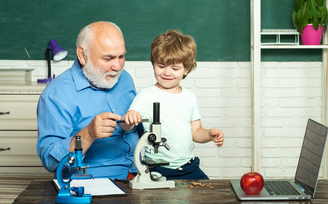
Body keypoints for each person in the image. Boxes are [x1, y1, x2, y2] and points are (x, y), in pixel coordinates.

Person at [37, 21, 141, 180]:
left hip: (139, 176)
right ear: (82, 55)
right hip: (95, 184)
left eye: (121, 56)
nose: (117, 66)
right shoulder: (56, 95)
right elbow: (50, 161)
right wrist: (88, 134)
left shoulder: (125, 78)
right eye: (108, 58)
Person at [120, 29, 224, 179]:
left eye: (175, 68)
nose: (167, 72)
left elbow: (196, 132)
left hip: (189, 167)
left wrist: (209, 134)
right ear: (153, 64)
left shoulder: (189, 97)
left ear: (186, 70)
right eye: (161, 66)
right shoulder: (145, 96)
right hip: (158, 169)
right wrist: (129, 118)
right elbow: (125, 126)